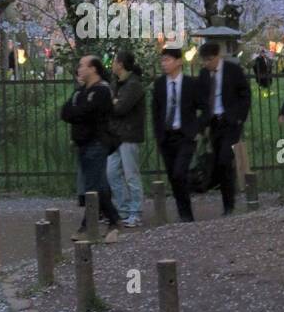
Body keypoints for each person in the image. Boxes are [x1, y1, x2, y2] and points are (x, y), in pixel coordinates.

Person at [59, 54, 121, 243]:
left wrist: (79, 113)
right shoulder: (80, 92)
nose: (79, 69)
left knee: (92, 186)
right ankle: (114, 220)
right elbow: (66, 111)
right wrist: (79, 113)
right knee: (99, 184)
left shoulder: (101, 91)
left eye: (82, 65)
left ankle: (87, 226)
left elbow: (89, 113)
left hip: (97, 142)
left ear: (93, 68)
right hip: (83, 143)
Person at [196, 39, 251, 216]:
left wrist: (239, 118)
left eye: (209, 59)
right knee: (219, 163)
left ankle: (229, 204)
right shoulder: (204, 74)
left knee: (225, 159)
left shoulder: (232, 71)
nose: (207, 63)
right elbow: (202, 100)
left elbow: (245, 93)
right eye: (204, 60)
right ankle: (226, 198)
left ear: (217, 56)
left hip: (230, 122)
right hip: (214, 124)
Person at [152, 39, 201, 222]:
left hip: (185, 135)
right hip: (167, 136)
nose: (165, 64)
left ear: (179, 61)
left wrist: (197, 129)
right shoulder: (159, 85)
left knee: (180, 172)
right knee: (173, 177)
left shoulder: (190, 84)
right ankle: (184, 213)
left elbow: (203, 107)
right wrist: (159, 135)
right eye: (163, 60)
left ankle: (186, 214)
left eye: (168, 60)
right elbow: (156, 111)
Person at [107, 50, 145, 228]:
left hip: (129, 134)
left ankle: (135, 211)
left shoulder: (133, 85)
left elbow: (120, 108)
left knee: (131, 174)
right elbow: (110, 104)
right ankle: (123, 209)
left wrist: (113, 103)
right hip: (116, 134)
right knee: (112, 172)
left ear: (121, 64)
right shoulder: (118, 83)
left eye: (114, 61)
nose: (112, 64)